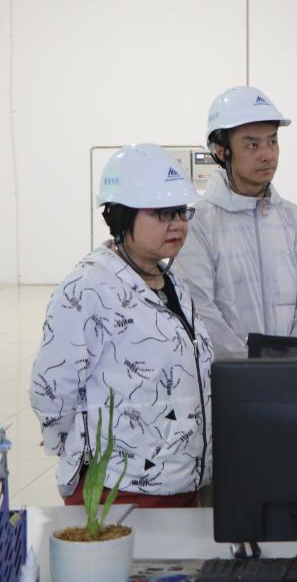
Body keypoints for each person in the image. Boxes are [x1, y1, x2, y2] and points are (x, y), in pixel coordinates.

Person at [29, 144, 214, 507]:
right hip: (118, 490)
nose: (178, 223)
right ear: (120, 217)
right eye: (162, 213)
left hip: (182, 482)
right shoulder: (88, 288)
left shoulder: (171, 282)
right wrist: (75, 446)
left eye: (182, 211)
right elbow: (51, 391)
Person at [175, 86, 297, 359]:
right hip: (229, 375)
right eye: (252, 144)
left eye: (272, 141)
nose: (268, 154)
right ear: (222, 152)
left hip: (292, 371)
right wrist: (248, 365)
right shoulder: (198, 224)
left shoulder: (294, 219)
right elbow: (199, 309)